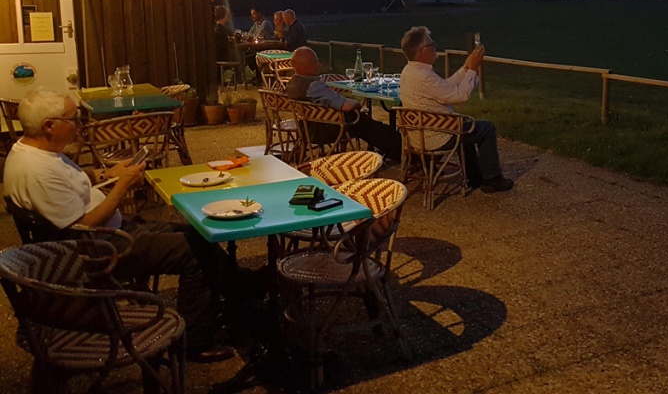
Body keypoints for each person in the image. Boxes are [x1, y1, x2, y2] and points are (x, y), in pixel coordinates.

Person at [2, 88, 236, 363]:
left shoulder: (32, 151)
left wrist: (107, 173)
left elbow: (71, 176)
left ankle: (240, 294)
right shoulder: (37, 171)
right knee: (195, 250)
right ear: (49, 126)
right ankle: (196, 342)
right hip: (98, 250)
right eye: (73, 120)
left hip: (105, 236)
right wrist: (122, 187)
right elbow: (85, 224)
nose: (80, 126)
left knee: (199, 231)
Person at [399, 26, 514, 193]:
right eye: (431, 45)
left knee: (464, 127)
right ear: (421, 51)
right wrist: (473, 69)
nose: (434, 48)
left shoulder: (409, 71)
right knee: (486, 128)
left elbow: (446, 88)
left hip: (419, 136)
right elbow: (460, 96)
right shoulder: (423, 77)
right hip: (436, 136)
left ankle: (474, 178)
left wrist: (466, 68)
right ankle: (493, 179)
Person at [284, 46, 402, 161]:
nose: (319, 65)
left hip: (306, 128)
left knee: (372, 124)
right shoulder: (313, 86)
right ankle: (399, 151)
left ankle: (393, 147)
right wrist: (357, 103)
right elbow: (346, 105)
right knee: (365, 123)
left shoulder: (292, 84)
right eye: (315, 62)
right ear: (304, 67)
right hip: (328, 129)